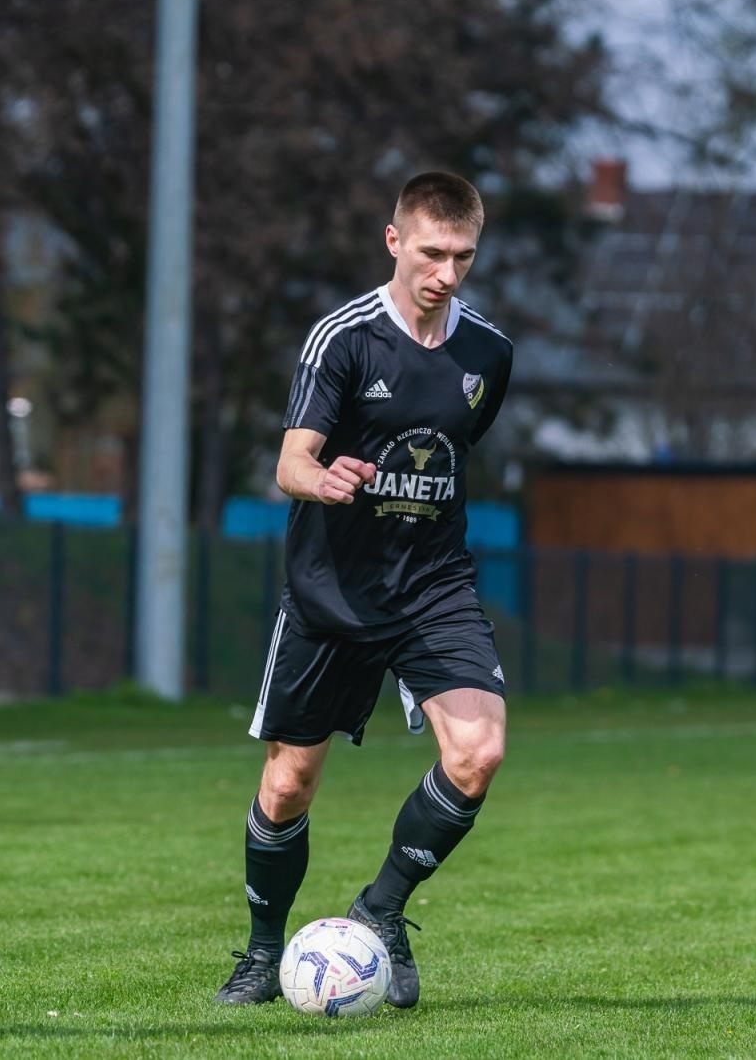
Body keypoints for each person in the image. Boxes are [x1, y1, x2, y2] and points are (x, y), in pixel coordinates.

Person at [216, 171, 513, 1009]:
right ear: (394, 241)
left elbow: (457, 451)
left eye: (463, 257)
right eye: (432, 253)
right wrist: (325, 478)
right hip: (333, 591)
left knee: (478, 752)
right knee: (287, 785)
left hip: (433, 587)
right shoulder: (343, 339)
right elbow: (290, 461)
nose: (446, 273)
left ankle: (380, 908)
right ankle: (262, 952)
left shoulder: (489, 353)